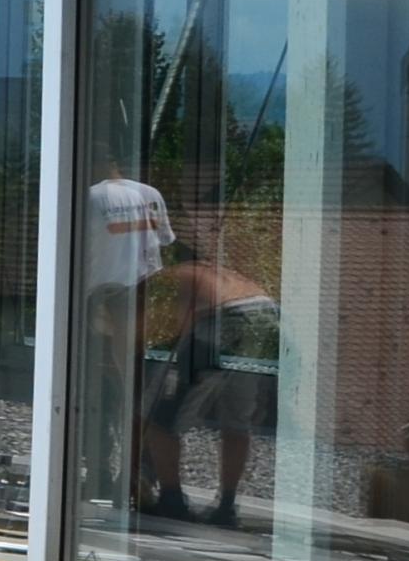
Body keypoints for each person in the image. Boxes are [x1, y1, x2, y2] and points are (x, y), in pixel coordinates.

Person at [138, 242, 279, 529]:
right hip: (266, 312)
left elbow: (165, 330)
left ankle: (172, 501)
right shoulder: (213, 273)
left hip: (225, 318)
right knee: (237, 420)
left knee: (160, 418)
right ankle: (226, 507)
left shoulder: (164, 280)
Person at [82, 157, 174, 509]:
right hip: (146, 302)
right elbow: (162, 245)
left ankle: (106, 473)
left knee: (102, 393)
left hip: (105, 300)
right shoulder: (150, 195)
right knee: (139, 393)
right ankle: (140, 473)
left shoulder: (90, 197)